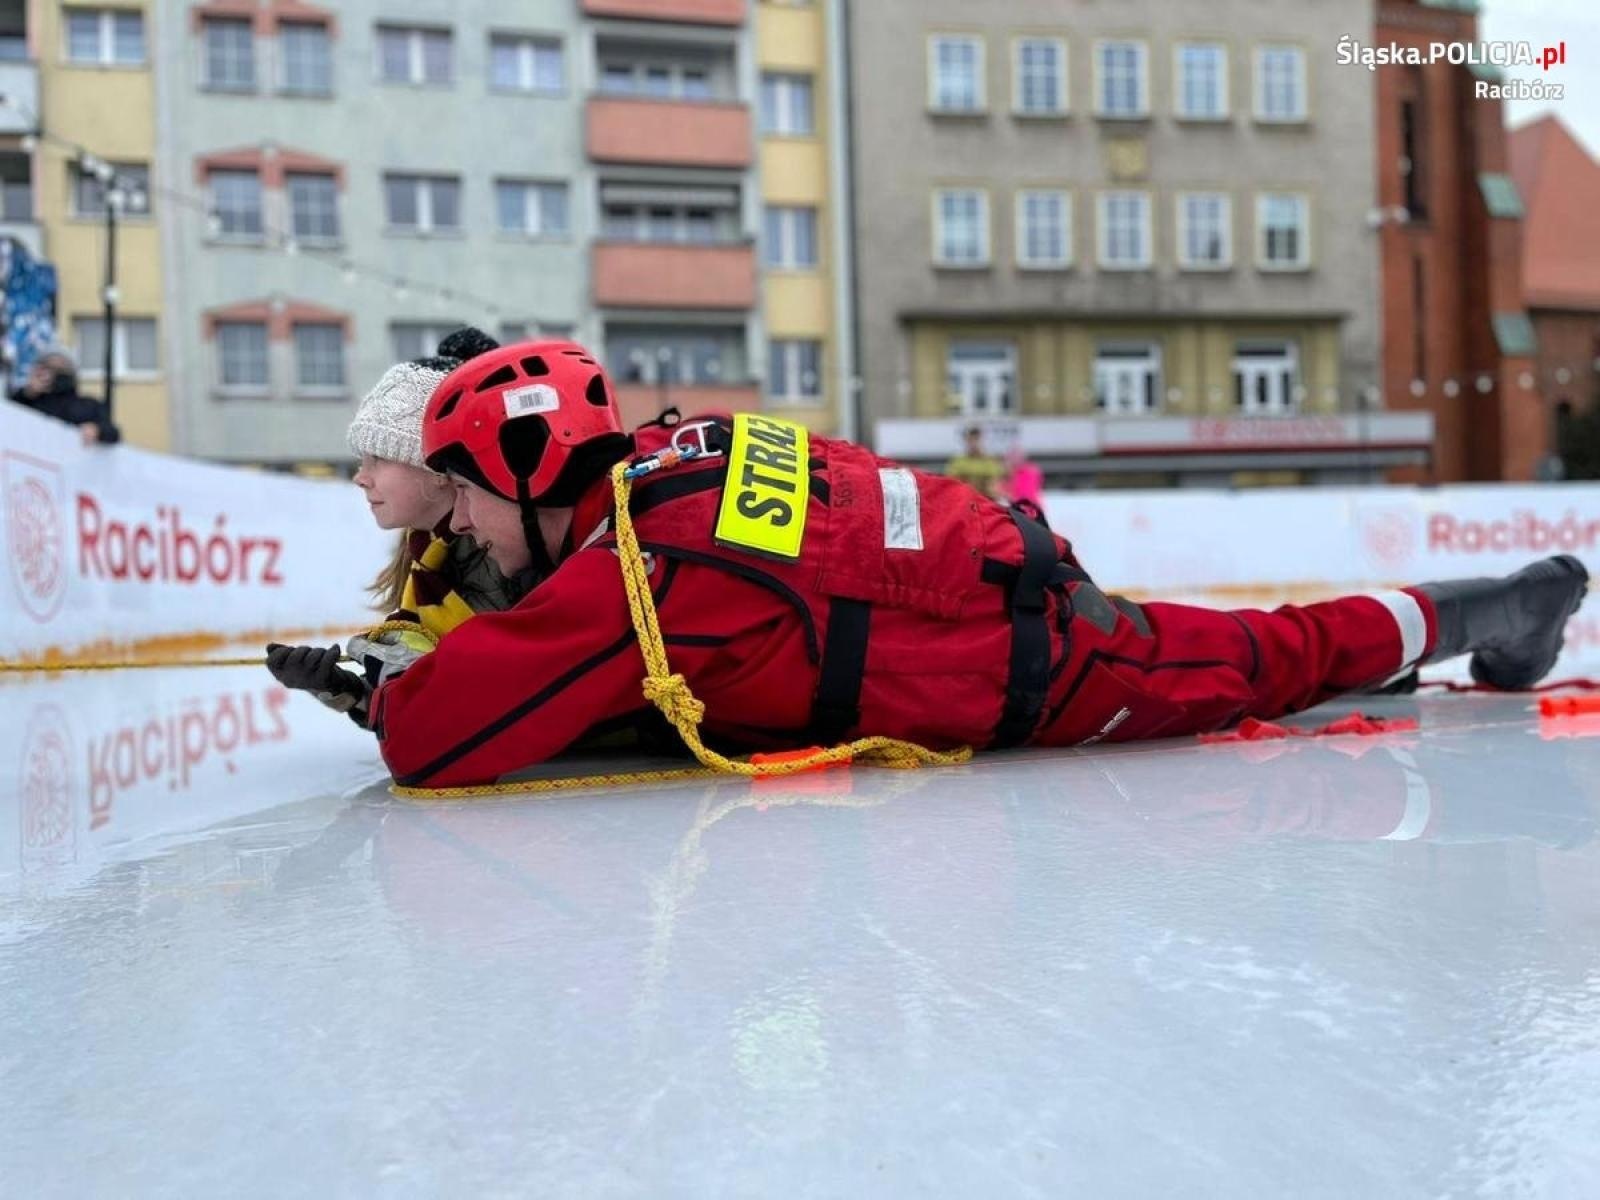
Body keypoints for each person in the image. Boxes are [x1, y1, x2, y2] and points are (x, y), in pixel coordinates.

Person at [264, 340, 1592, 789]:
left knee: (1266, 660)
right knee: (1259, 652)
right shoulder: (676, 459)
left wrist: (378, 690)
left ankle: (1492, 606)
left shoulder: (640, 574)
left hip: (1037, 660)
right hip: (1002, 590)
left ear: (529, 474)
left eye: (466, 497)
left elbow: (435, 741)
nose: (461, 526)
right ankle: (1469, 611)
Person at [266, 328, 528, 719]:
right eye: (362, 460)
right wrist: (342, 688)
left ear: (436, 469)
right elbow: (420, 712)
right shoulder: (427, 556)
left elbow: (505, 702)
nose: (361, 477)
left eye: (378, 458)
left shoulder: (501, 558)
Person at [8, 350, 120, 445]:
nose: (54, 373)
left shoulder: (89, 405)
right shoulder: (28, 401)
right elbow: (8, 419)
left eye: (61, 368)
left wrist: (97, 430)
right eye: (49, 367)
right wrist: (28, 393)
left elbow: (113, 433)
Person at [944, 425, 1005, 498]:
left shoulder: (990, 461)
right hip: (965, 498)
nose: (973, 444)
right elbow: (953, 482)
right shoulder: (958, 462)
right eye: (970, 440)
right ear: (966, 441)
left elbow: (994, 485)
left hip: (986, 498)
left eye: (976, 439)